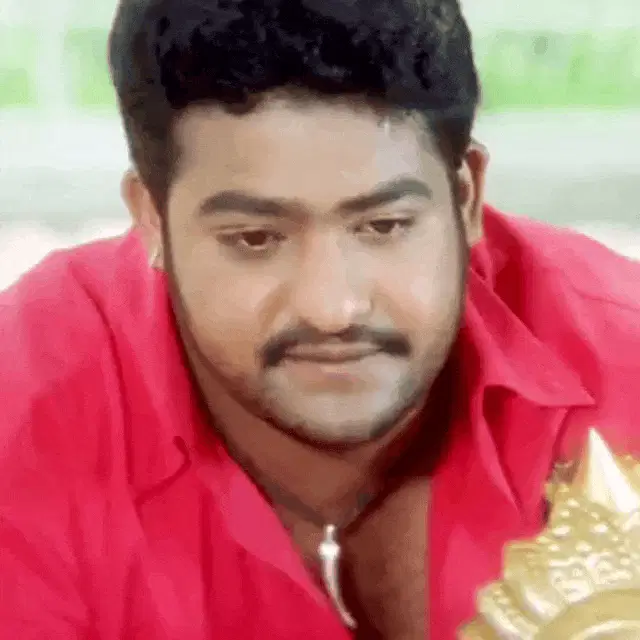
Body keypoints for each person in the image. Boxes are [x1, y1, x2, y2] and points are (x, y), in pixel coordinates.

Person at [1, 0, 640, 638]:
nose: (332, 308)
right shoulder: (27, 404)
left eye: (384, 226)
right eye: (255, 238)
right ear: (151, 218)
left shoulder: (623, 365)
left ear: (465, 197)